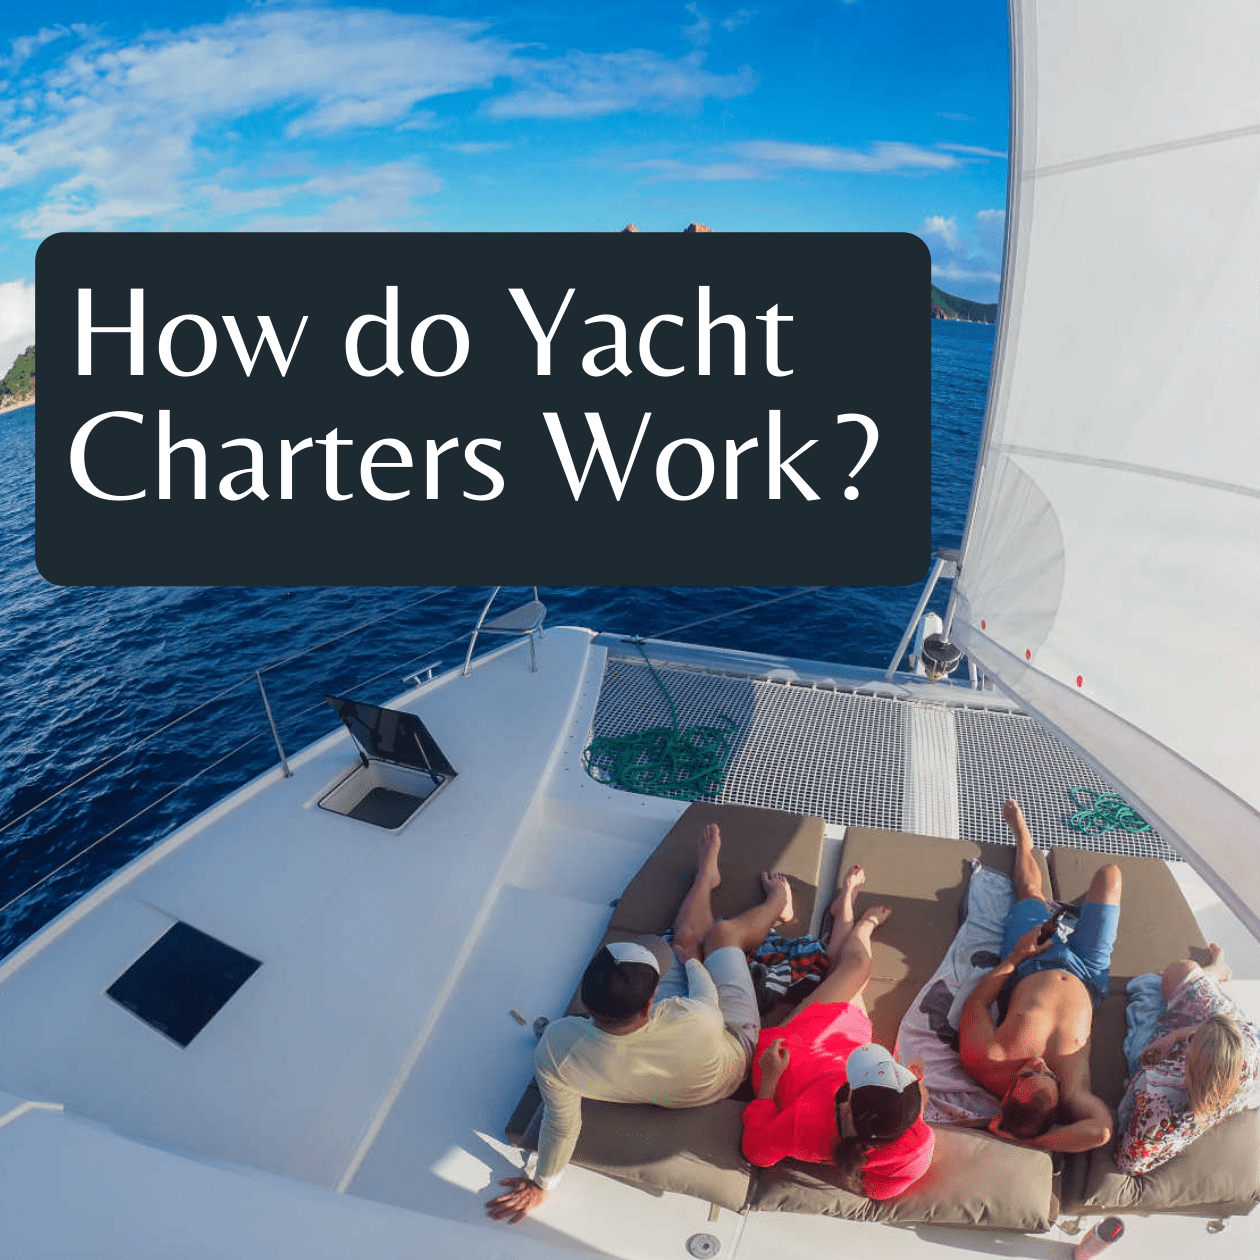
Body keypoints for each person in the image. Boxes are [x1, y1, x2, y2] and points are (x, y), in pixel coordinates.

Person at [487, 822, 789, 1223]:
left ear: (588, 1004)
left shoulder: (558, 1047)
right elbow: (707, 1001)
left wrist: (544, 1183)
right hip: (729, 1044)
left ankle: (706, 877)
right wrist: (691, 962)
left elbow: (561, 1125)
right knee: (721, 935)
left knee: (683, 934)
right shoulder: (692, 1018)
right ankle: (778, 904)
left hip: (679, 1058)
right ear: (652, 1003)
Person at [740, 864, 934, 1198]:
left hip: (791, 1055)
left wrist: (770, 1079)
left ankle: (861, 923)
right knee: (845, 972)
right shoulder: (914, 1147)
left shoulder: (801, 1125)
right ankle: (847, 915)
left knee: (856, 968)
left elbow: (755, 1151)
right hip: (842, 1044)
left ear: (846, 1102)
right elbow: (878, 1190)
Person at [959, 798, 1120, 1151]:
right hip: (1089, 974)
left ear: (1006, 1099)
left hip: (1032, 962)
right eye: (1048, 1076)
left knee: (1030, 892)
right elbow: (1100, 1131)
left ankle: (1022, 839)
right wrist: (1039, 1143)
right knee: (1109, 875)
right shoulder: (1075, 1092)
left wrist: (1017, 957)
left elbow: (979, 1001)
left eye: (1029, 1073)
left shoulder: (988, 1058)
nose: (1039, 1063)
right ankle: (1076, 914)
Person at [1116, 945, 1260, 1174]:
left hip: (1162, 1075)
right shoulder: (1248, 1046)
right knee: (1183, 970)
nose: (1189, 1036)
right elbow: (1211, 1027)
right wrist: (1175, 1036)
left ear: (1189, 1066)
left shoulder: (1157, 1100)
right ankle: (1215, 971)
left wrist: (1162, 1045)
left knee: (1158, 987)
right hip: (1218, 1049)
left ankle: (1209, 976)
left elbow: (1129, 1164)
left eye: (1191, 1041)